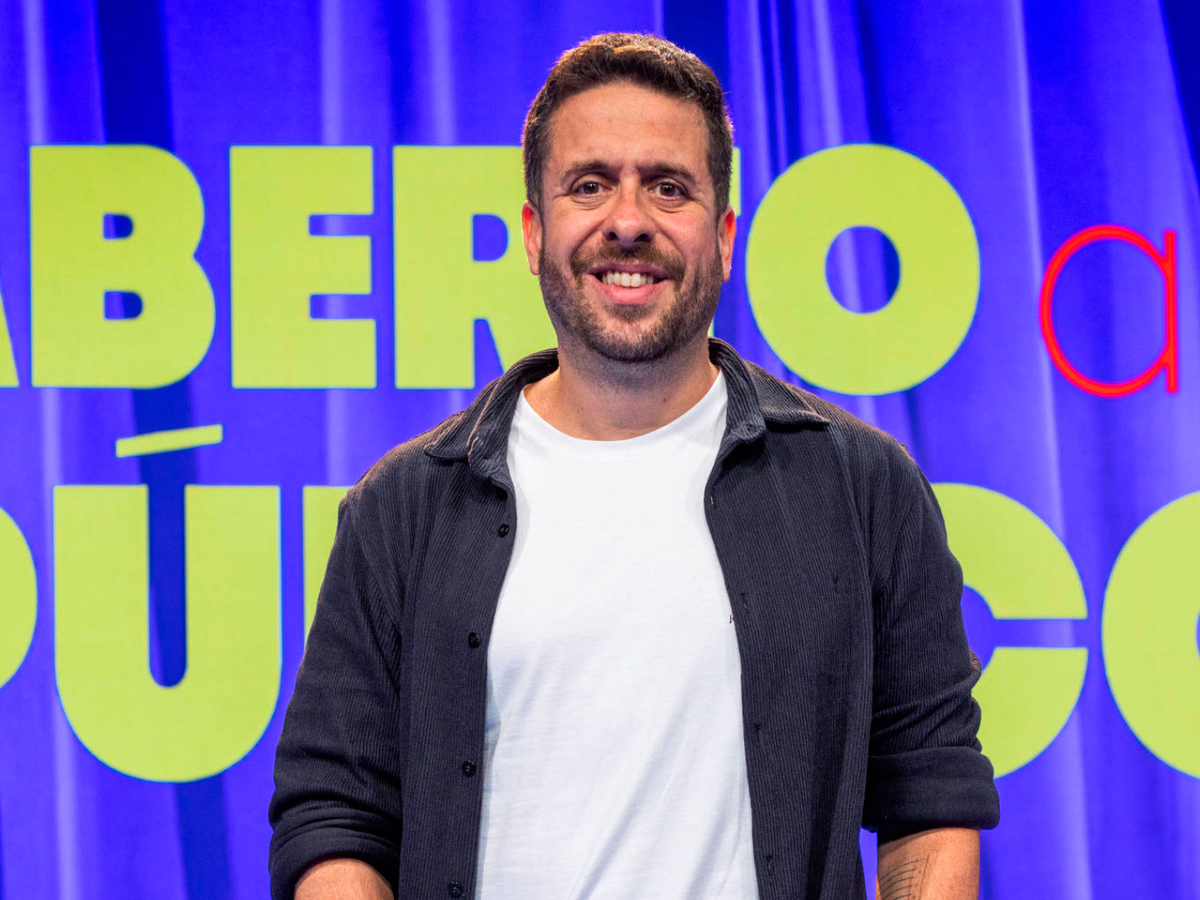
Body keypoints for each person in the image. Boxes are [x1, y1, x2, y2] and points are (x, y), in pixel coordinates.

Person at [268, 32, 999, 900]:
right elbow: (333, 814)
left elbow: (929, 797)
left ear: (723, 236)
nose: (627, 220)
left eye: (668, 186)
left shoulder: (862, 488)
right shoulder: (403, 509)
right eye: (589, 185)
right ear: (534, 233)